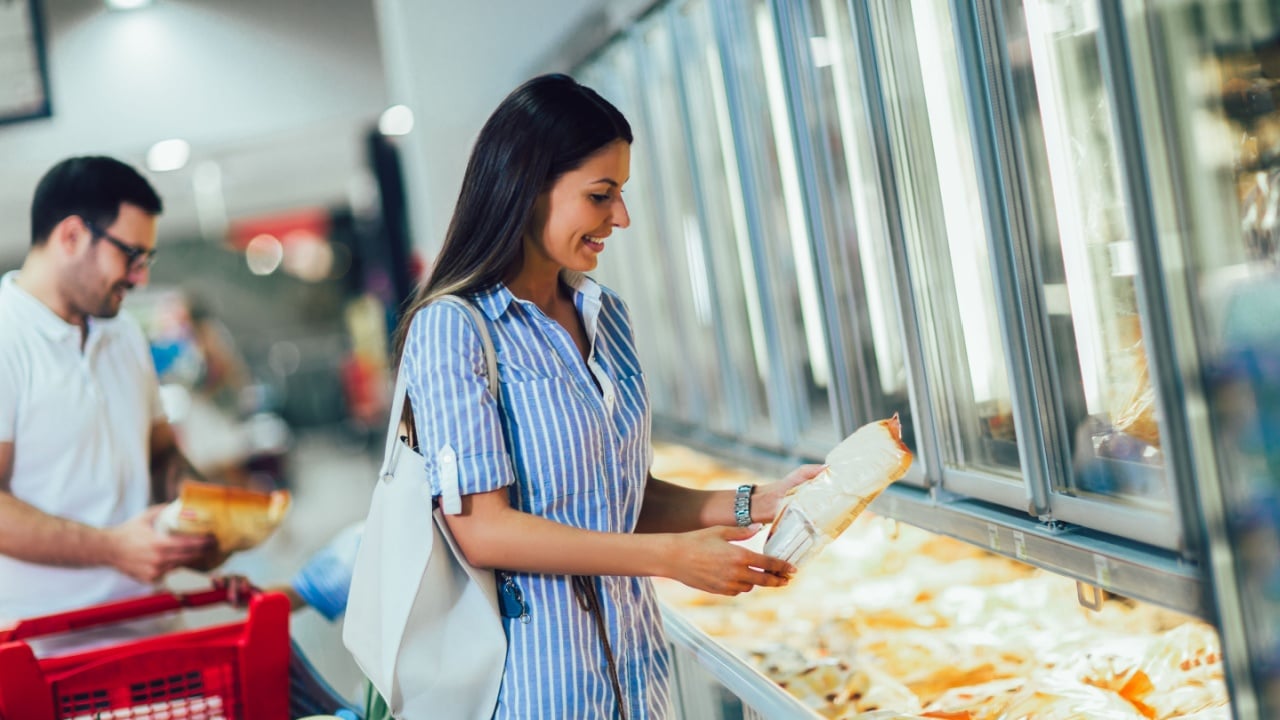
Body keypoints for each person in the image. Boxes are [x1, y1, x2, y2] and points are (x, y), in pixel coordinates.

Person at [394, 74, 823, 719]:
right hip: (536, 689)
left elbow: (618, 493)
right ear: (526, 187)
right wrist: (669, 560)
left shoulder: (605, 314)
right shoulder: (453, 329)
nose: (620, 218)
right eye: (601, 195)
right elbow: (481, 529)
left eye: (621, 194)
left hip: (635, 676)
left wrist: (751, 503)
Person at [0, 156, 220, 636]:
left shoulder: (122, 334)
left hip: (151, 625)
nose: (139, 276)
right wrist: (113, 548)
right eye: (130, 255)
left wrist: (203, 514)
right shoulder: (6, 337)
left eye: (147, 259)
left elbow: (159, 451)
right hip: (47, 651)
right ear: (72, 236)